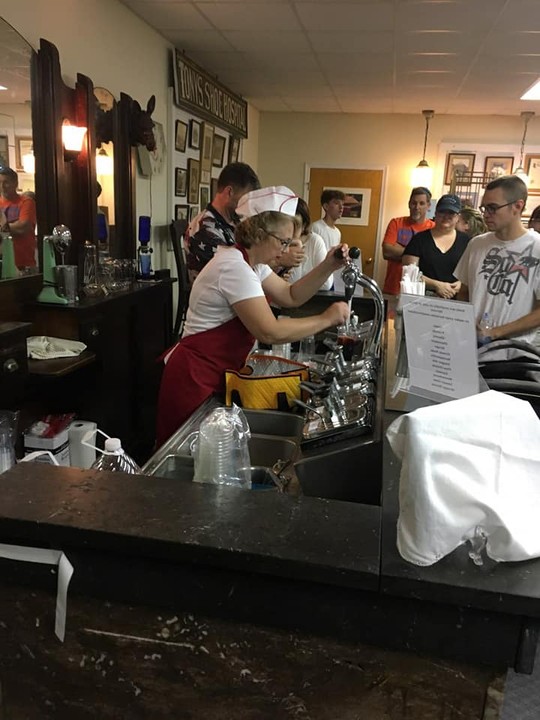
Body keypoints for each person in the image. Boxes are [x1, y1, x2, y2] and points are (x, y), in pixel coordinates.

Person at [156, 187, 350, 446]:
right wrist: (327, 318)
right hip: (193, 380)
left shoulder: (252, 265)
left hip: (216, 375)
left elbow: (291, 296)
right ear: (259, 233)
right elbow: (269, 331)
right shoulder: (234, 267)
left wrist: (328, 265)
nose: (284, 251)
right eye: (282, 242)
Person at [454, 175, 540, 358]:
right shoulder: (476, 244)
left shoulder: (537, 247)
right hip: (471, 351)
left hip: (515, 356)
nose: (485, 214)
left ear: (517, 206)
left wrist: (496, 332)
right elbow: (464, 291)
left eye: (493, 208)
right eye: (484, 208)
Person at [185, 162, 260, 282]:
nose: (248, 206)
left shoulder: (234, 220)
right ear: (229, 192)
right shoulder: (204, 228)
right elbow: (234, 272)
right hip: (218, 295)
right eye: (245, 199)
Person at [403, 194, 469, 299]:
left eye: (451, 213)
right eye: (442, 212)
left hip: (457, 303)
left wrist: (461, 284)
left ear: (458, 217)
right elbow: (409, 273)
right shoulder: (419, 240)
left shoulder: (467, 242)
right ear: (435, 213)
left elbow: (473, 274)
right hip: (422, 301)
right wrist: (437, 285)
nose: (446, 216)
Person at [382, 187, 435, 295]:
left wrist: (398, 248)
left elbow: (431, 259)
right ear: (409, 204)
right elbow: (386, 251)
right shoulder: (396, 223)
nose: (417, 207)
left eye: (421, 203)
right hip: (393, 288)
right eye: (413, 203)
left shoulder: (433, 228)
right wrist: (418, 255)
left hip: (419, 291)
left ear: (428, 206)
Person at [285, 198, 333, 291]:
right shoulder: (278, 243)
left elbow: (326, 284)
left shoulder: (315, 241)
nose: (289, 232)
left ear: (304, 226)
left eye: (295, 226)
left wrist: (297, 246)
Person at [0, 166, 37, 269]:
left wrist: (4, 227)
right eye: (0, 182)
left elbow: (23, 227)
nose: (2, 186)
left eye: (6, 182)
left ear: (15, 184)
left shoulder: (26, 202)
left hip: (24, 264)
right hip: (3, 264)